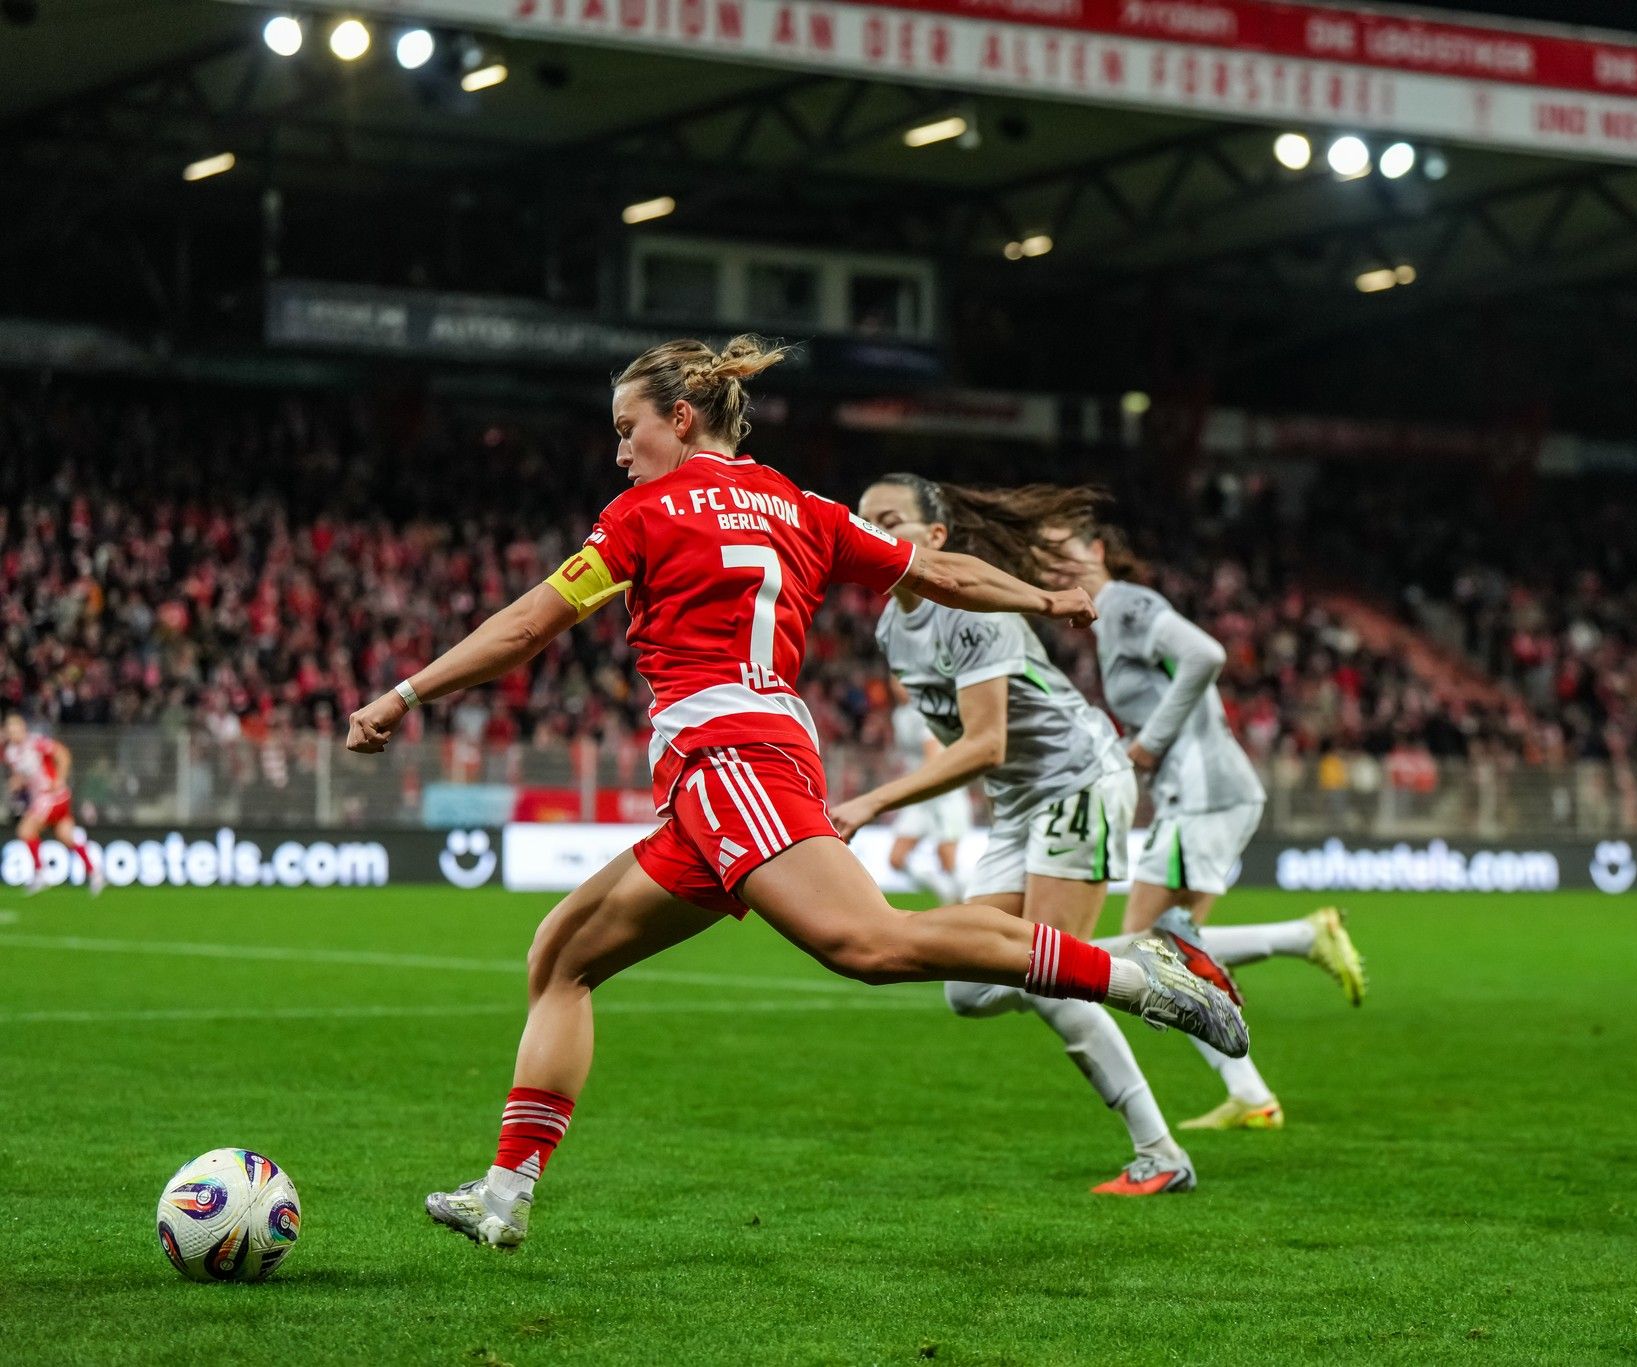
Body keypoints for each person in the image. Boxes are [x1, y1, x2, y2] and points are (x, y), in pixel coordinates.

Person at [346, 337, 1246, 1248]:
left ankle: (1141, 976)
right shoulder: (799, 505)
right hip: (740, 764)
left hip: (729, 758)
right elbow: (942, 572)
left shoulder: (641, 514)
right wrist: (1047, 601)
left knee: (869, 943)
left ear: (680, 418)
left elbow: (530, 623)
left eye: (628, 430)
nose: (620, 452)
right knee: (562, 957)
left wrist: (405, 692)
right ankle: (503, 1197)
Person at [833, 475, 1224, 1196]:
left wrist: (871, 802)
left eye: (891, 519)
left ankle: (1160, 1151)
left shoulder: (974, 616)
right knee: (968, 988)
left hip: (1078, 779)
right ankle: (1162, 959)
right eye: (864, 521)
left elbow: (984, 742)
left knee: (1048, 974)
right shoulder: (893, 624)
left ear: (937, 539)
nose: (873, 532)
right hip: (1018, 803)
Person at [1041, 510, 1364, 1130]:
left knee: (1150, 949)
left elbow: (1206, 655)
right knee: (1166, 950)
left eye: (1066, 551)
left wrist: (1150, 745)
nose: (1058, 567)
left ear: (1100, 549)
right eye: (1045, 562)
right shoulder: (1111, 624)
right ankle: (1251, 1091)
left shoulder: (1128, 605)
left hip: (1204, 793)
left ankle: (1303, 939)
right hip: (1198, 796)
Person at [883, 678, 972, 904]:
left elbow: (934, 757)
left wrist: (904, 787)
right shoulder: (899, 715)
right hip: (919, 796)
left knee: (947, 859)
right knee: (896, 859)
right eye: (893, 682)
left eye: (901, 681)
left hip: (942, 794)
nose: (896, 687)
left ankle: (972, 900)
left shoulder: (926, 712)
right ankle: (941, 888)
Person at [4, 713, 103, 896]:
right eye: (9, 730)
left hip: (52, 796)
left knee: (25, 830)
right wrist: (17, 782)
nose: (13, 733)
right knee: (66, 836)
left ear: (23, 728)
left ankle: (40, 873)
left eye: (15, 729)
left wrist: (60, 778)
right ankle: (95, 872)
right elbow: (26, 776)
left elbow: (63, 754)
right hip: (42, 798)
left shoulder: (36, 743)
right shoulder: (11, 754)